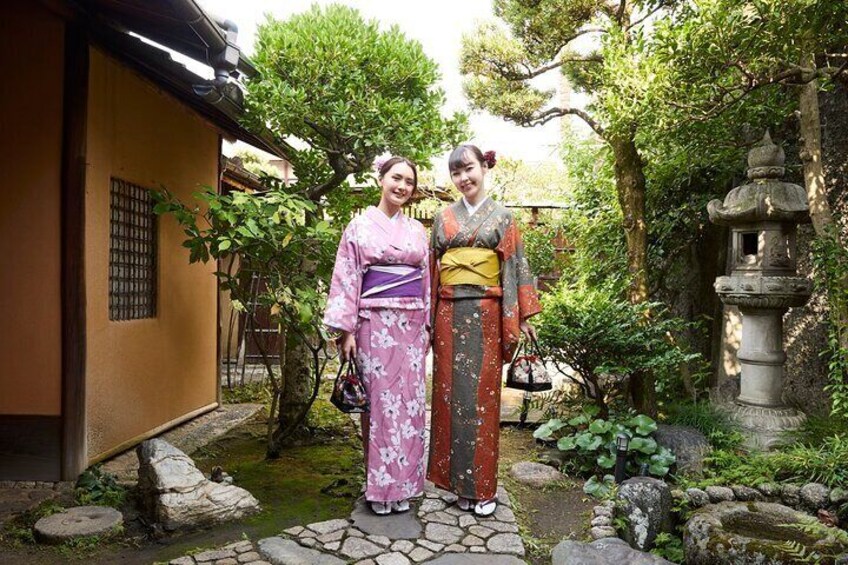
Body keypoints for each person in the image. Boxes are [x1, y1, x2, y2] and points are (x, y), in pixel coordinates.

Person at [427, 144, 541, 517]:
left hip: (488, 315)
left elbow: (514, 268)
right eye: (456, 172)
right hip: (448, 315)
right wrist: (426, 319)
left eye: (469, 169)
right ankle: (458, 483)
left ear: (484, 168)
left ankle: (483, 487)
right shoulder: (443, 218)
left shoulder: (503, 217)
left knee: (482, 399)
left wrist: (521, 316)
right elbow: (432, 273)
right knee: (448, 397)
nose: (464, 178)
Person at [323, 157, 430, 516]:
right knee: (381, 407)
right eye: (396, 178)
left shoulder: (417, 231)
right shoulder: (358, 227)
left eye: (409, 182)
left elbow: (426, 281)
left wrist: (427, 325)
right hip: (373, 325)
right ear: (381, 179)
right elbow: (347, 276)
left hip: (412, 326)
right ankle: (380, 488)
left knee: (412, 406)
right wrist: (346, 330)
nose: (402, 186)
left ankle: (405, 487)